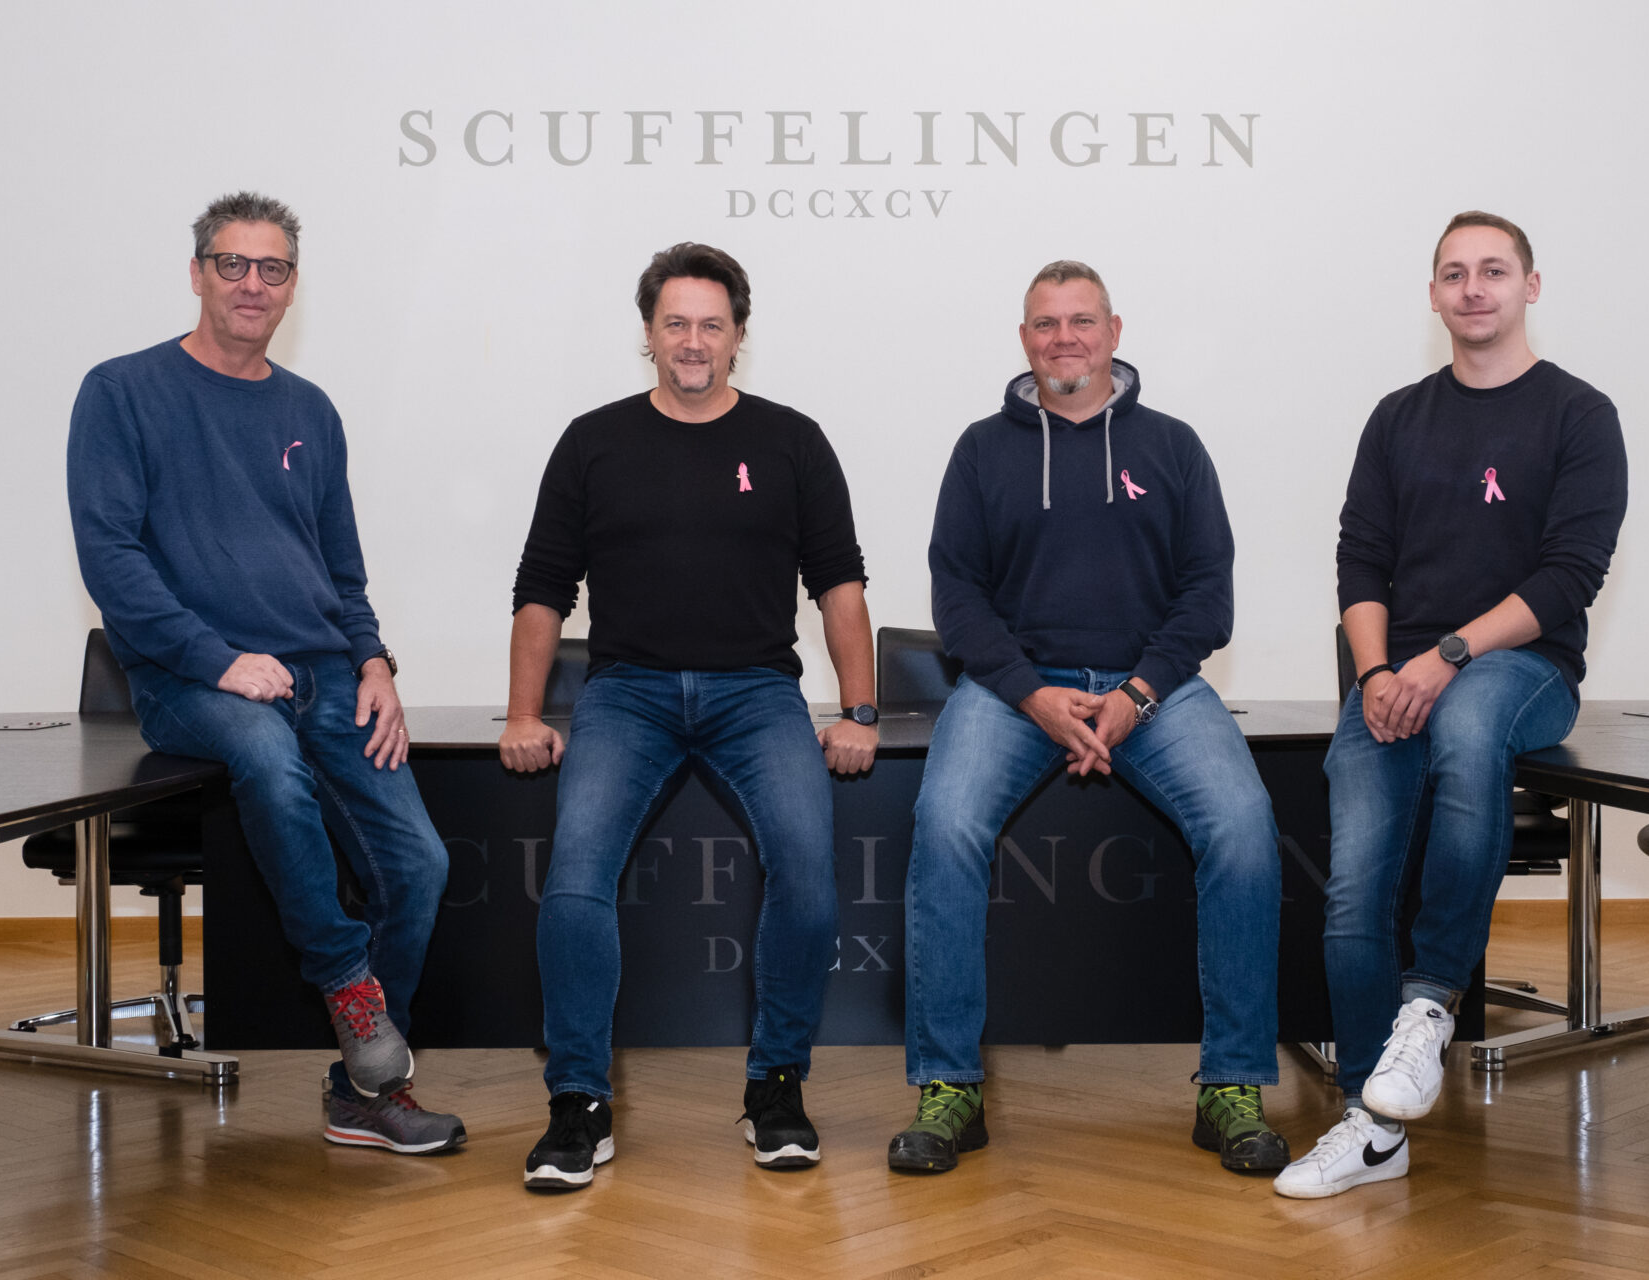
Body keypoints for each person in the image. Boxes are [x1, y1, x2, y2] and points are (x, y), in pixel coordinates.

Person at [67, 191, 463, 1156]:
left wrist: (374, 660)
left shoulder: (309, 411)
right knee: (270, 765)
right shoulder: (120, 392)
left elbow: (342, 571)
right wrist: (219, 660)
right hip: (189, 680)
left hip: (324, 672)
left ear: (292, 286)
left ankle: (361, 1094)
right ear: (197, 273)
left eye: (273, 268)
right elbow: (112, 561)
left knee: (420, 864)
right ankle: (352, 992)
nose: (253, 283)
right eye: (233, 264)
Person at [888, 260, 1289, 1176]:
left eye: (1081, 321)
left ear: (1114, 332)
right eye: (1045, 323)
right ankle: (949, 1084)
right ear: (1023, 339)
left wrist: (1136, 695)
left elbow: (1208, 596)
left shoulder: (1174, 446)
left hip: (1155, 692)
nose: (1063, 338)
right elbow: (958, 596)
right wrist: (1030, 692)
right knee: (943, 824)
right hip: (1015, 694)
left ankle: (1232, 1083)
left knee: (1243, 827)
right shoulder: (981, 450)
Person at [502, 242, 877, 1190]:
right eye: (676, 323)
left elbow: (839, 585)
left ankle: (775, 1087)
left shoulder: (792, 440)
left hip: (757, 692)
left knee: (807, 872)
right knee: (575, 878)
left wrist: (861, 710)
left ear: (739, 334)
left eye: (712, 324)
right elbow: (543, 587)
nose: (694, 341)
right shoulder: (593, 441)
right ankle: (579, 1102)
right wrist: (522, 714)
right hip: (627, 692)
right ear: (649, 333)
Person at [1275, 212, 1627, 1199]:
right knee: (1354, 889)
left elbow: (1569, 575)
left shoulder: (1579, 414)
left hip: (1523, 668)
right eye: (1454, 273)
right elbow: (1360, 558)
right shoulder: (1398, 417)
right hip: (1396, 678)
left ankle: (1429, 1004)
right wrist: (1376, 675)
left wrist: (1447, 657)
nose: (1474, 288)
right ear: (1433, 294)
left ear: (1530, 286)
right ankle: (1371, 1123)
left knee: (1469, 723)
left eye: (1494, 270)